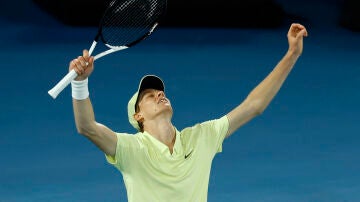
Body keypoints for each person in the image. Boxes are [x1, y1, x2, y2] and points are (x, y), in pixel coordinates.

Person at [69, 23, 308, 201]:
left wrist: (291, 55)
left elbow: (254, 106)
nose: (159, 95)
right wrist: (79, 83)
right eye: (149, 96)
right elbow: (87, 127)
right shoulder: (131, 149)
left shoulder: (201, 137)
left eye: (160, 92)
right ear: (137, 116)